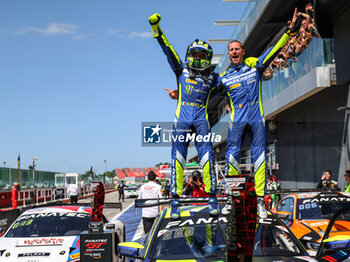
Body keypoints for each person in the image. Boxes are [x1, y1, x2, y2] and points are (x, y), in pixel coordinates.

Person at [216, 9, 302, 219]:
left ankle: (261, 202)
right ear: (228, 54)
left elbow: (274, 50)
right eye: (231, 50)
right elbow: (205, 91)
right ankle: (230, 199)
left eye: (237, 49)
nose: (234, 52)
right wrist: (179, 94)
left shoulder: (255, 67)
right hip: (237, 122)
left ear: (243, 52)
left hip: (256, 119)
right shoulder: (224, 77)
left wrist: (288, 32)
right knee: (232, 158)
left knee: (260, 158)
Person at [148, 13, 218, 219]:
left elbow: (230, 86)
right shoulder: (181, 71)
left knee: (207, 157)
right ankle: (175, 199)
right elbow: (168, 50)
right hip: (182, 119)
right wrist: (157, 31)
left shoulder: (213, 78)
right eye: (194, 54)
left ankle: (212, 196)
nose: (197, 58)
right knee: (177, 158)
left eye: (202, 56)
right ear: (189, 55)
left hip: (201, 120)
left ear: (208, 58)